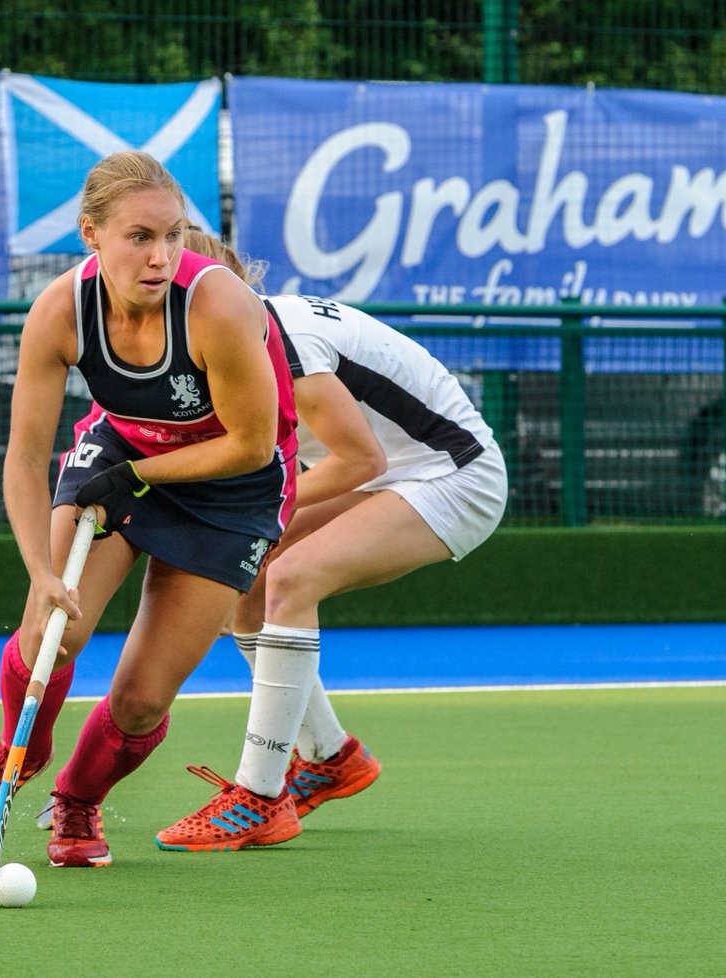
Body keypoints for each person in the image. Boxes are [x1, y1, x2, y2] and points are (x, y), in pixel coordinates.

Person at [0, 152, 300, 866]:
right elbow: (22, 458)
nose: (161, 256)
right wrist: (42, 571)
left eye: (173, 236)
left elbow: (254, 445)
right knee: (49, 631)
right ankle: (19, 752)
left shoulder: (220, 307)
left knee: (139, 700)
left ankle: (78, 798)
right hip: (122, 455)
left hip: (232, 487)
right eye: (139, 237)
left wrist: (139, 475)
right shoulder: (59, 312)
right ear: (91, 235)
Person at [153, 229, 508, 852]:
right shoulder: (230, 342)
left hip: (455, 473)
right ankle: (332, 756)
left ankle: (259, 797)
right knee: (253, 579)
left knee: (291, 578)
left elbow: (359, 458)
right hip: (395, 471)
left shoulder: (279, 345)